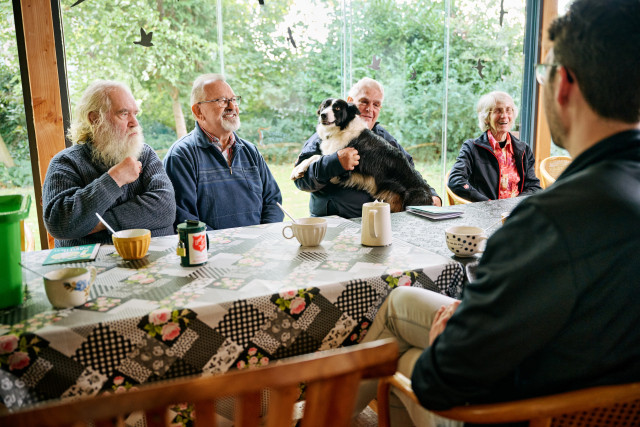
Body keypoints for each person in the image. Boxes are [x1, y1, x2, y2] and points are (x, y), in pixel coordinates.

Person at [358, 0, 640, 424]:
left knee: (410, 358)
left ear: (563, 84)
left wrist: (447, 341)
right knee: (400, 300)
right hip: (599, 393)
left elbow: (441, 382)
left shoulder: (550, 222)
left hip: (517, 408)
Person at [42, 80, 176, 248]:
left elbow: (165, 208)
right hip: (90, 268)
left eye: (135, 114)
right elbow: (60, 224)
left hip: (154, 260)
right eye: (124, 114)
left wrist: (96, 223)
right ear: (95, 119)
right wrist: (114, 178)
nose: (135, 122)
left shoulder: (145, 154)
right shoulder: (65, 162)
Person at [293, 77, 441, 218]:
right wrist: (334, 163)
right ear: (350, 102)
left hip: (382, 221)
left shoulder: (384, 137)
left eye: (376, 104)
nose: (370, 109)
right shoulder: (325, 135)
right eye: (364, 102)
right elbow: (301, 181)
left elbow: (409, 172)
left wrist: (432, 194)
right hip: (339, 221)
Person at [164, 74, 283, 230]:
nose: (232, 106)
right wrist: (226, 245)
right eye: (221, 100)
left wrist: (261, 236)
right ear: (198, 110)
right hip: (210, 252)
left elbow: (273, 202)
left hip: (256, 248)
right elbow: (185, 220)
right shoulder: (181, 156)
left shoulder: (250, 151)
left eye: (233, 99)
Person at [448, 91, 542, 202]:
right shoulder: (472, 148)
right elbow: (456, 180)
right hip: (486, 214)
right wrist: (486, 203)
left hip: (515, 213)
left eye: (508, 110)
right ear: (486, 117)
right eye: (498, 110)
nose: (504, 116)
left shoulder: (523, 149)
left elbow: (534, 187)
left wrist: (515, 206)